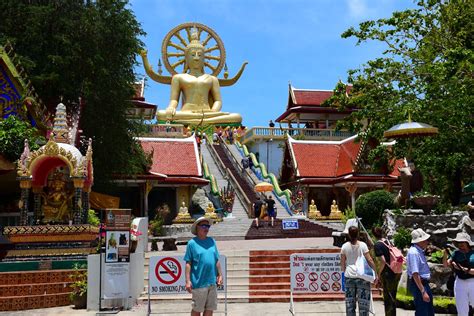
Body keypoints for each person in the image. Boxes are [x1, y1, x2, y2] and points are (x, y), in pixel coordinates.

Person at [148, 31, 242, 125]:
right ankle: (202, 121)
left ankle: (201, 120)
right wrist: (171, 108)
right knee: (161, 114)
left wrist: (213, 111)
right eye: (193, 55)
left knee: (237, 117)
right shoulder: (178, 78)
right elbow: (174, 100)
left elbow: (218, 101)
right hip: (187, 113)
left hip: (208, 113)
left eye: (200, 55)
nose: (196, 58)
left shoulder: (212, 79)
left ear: (204, 58)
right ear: (186, 58)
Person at [184, 217, 223, 316]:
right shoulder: (192, 243)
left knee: (210, 309)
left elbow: (216, 260)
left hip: (212, 282)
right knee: (197, 309)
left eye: (208, 226)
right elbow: (188, 263)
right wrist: (188, 281)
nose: (206, 228)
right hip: (199, 283)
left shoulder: (212, 241)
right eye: (204, 226)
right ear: (197, 227)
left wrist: (220, 275)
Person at [340, 226, 378, 316]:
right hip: (362, 276)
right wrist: (375, 273)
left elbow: (342, 263)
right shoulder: (363, 245)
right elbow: (370, 260)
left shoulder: (344, 246)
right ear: (358, 234)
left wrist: (344, 272)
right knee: (364, 304)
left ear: (349, 234)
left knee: (350, 304)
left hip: (349, 276)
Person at [443, 232, 474, 316]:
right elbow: (446, 265)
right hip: (460, 282)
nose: (460, 245)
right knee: (461, 308)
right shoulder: (456, 253)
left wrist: (463, 269)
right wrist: (445, 255)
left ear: (467, 243)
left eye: (462, 243)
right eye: (459, 243)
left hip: (473, 281)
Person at [372, 227, 401, 316]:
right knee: (393, 295)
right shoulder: (389, 242)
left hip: (388, 273)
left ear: (374, 235)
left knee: (388, 298)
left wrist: (378, 273)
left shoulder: (377, 245)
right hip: (396, 270)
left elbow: (383, 261)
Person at [407, 228, 434, 316]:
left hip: (423, 284)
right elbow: (415, 274)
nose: (427, 242)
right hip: (419, 285)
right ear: (420, 241)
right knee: (423, 312)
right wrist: (423, 291)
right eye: (425, 240)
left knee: (428, 311)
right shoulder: (414, 253)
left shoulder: (418, 251)